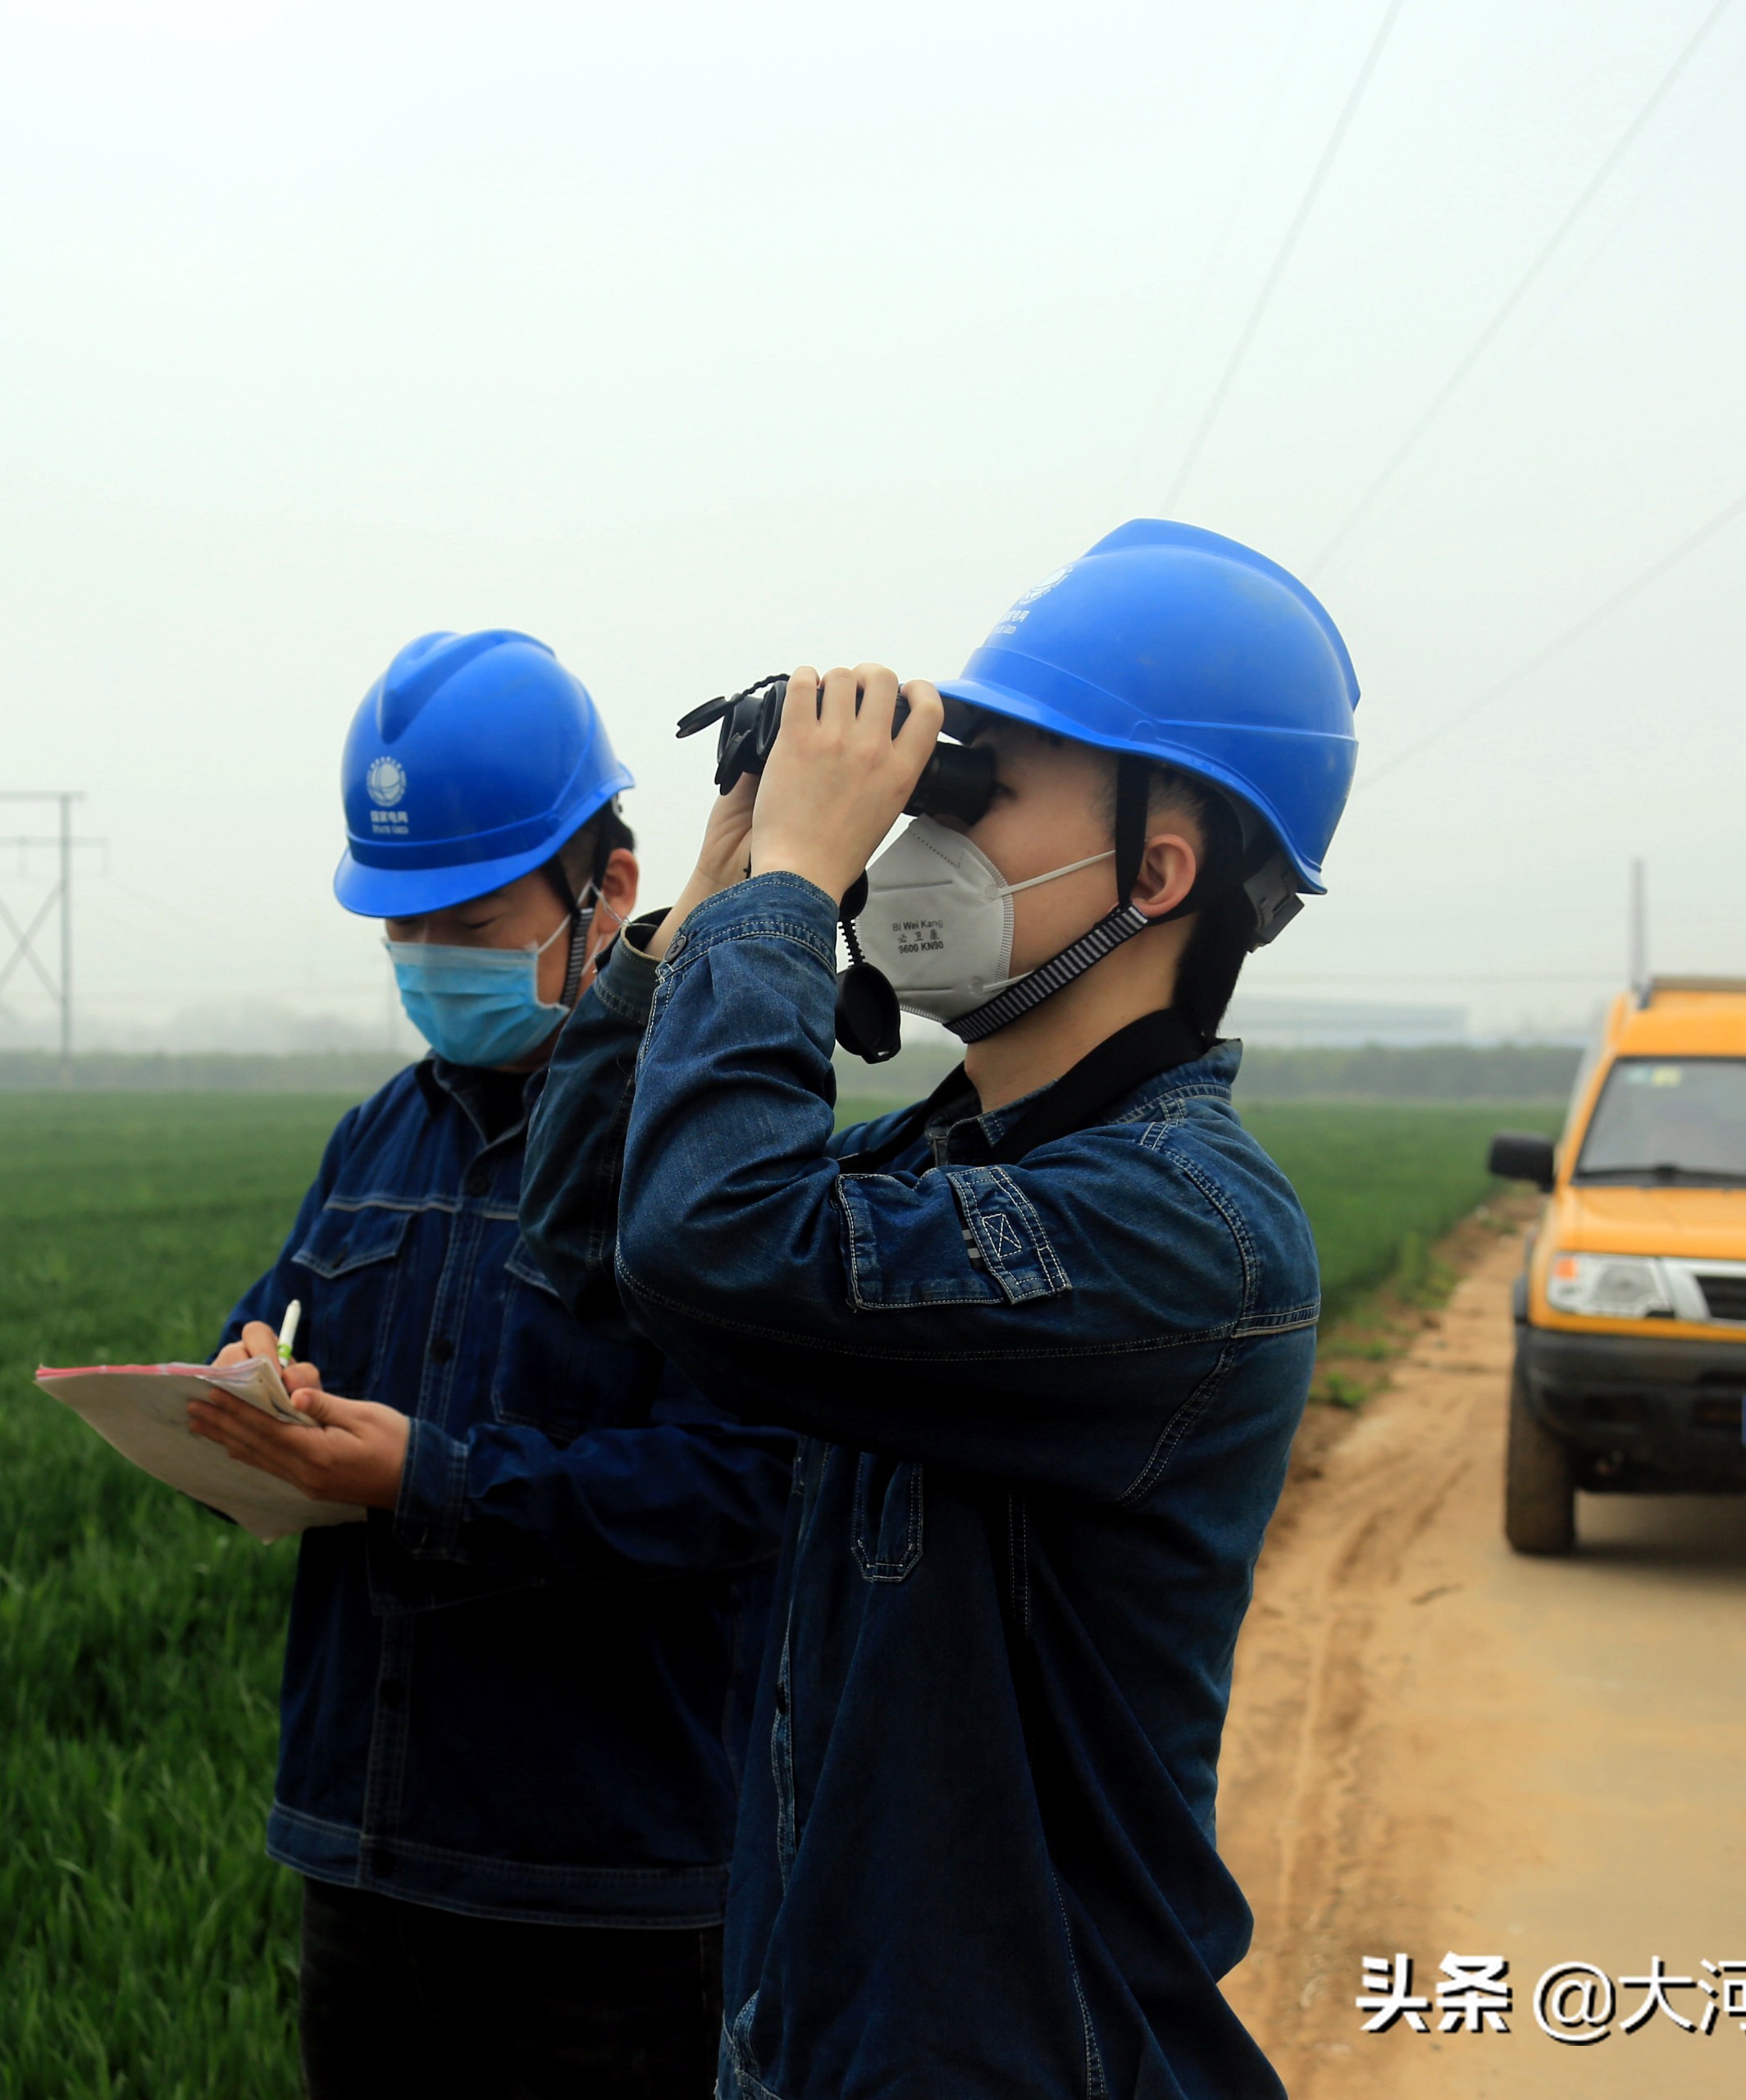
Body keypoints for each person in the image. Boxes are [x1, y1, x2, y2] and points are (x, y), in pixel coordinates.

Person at [518, 522, 1361, 2097]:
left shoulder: (1191, 1233)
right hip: (824, 2041)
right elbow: (591, 1242)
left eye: (985, 783)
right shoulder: (935, 1165)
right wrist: (708, 904)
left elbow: (718, 1239)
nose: (918, 825)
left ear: (1159, 873)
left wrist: (796, 890)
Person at [184, 628, 796, 2100]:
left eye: (466, 921)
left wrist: (425, 1476)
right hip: (362, 1854)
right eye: (404, 930)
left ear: (616, 890)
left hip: (602, 1899)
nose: (430, 961)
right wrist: (244, 1399)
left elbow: (743, 1489)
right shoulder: (373, 1140)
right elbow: (269, 1353)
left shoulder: (704, 1162)